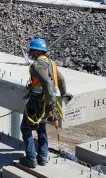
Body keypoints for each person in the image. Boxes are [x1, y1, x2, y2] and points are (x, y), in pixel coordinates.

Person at [20, 38, 70, 168]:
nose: (30, 52)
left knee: (26, 127)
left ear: (37, 51)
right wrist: (63, 94)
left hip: (37, 100)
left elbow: (47, 83)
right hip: (46, 100)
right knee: (41, 128)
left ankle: (31, 158)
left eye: (31, 50)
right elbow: (61, 79)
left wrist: (51, 105)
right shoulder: (51, 63)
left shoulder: (37, 65)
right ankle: (42, 157)